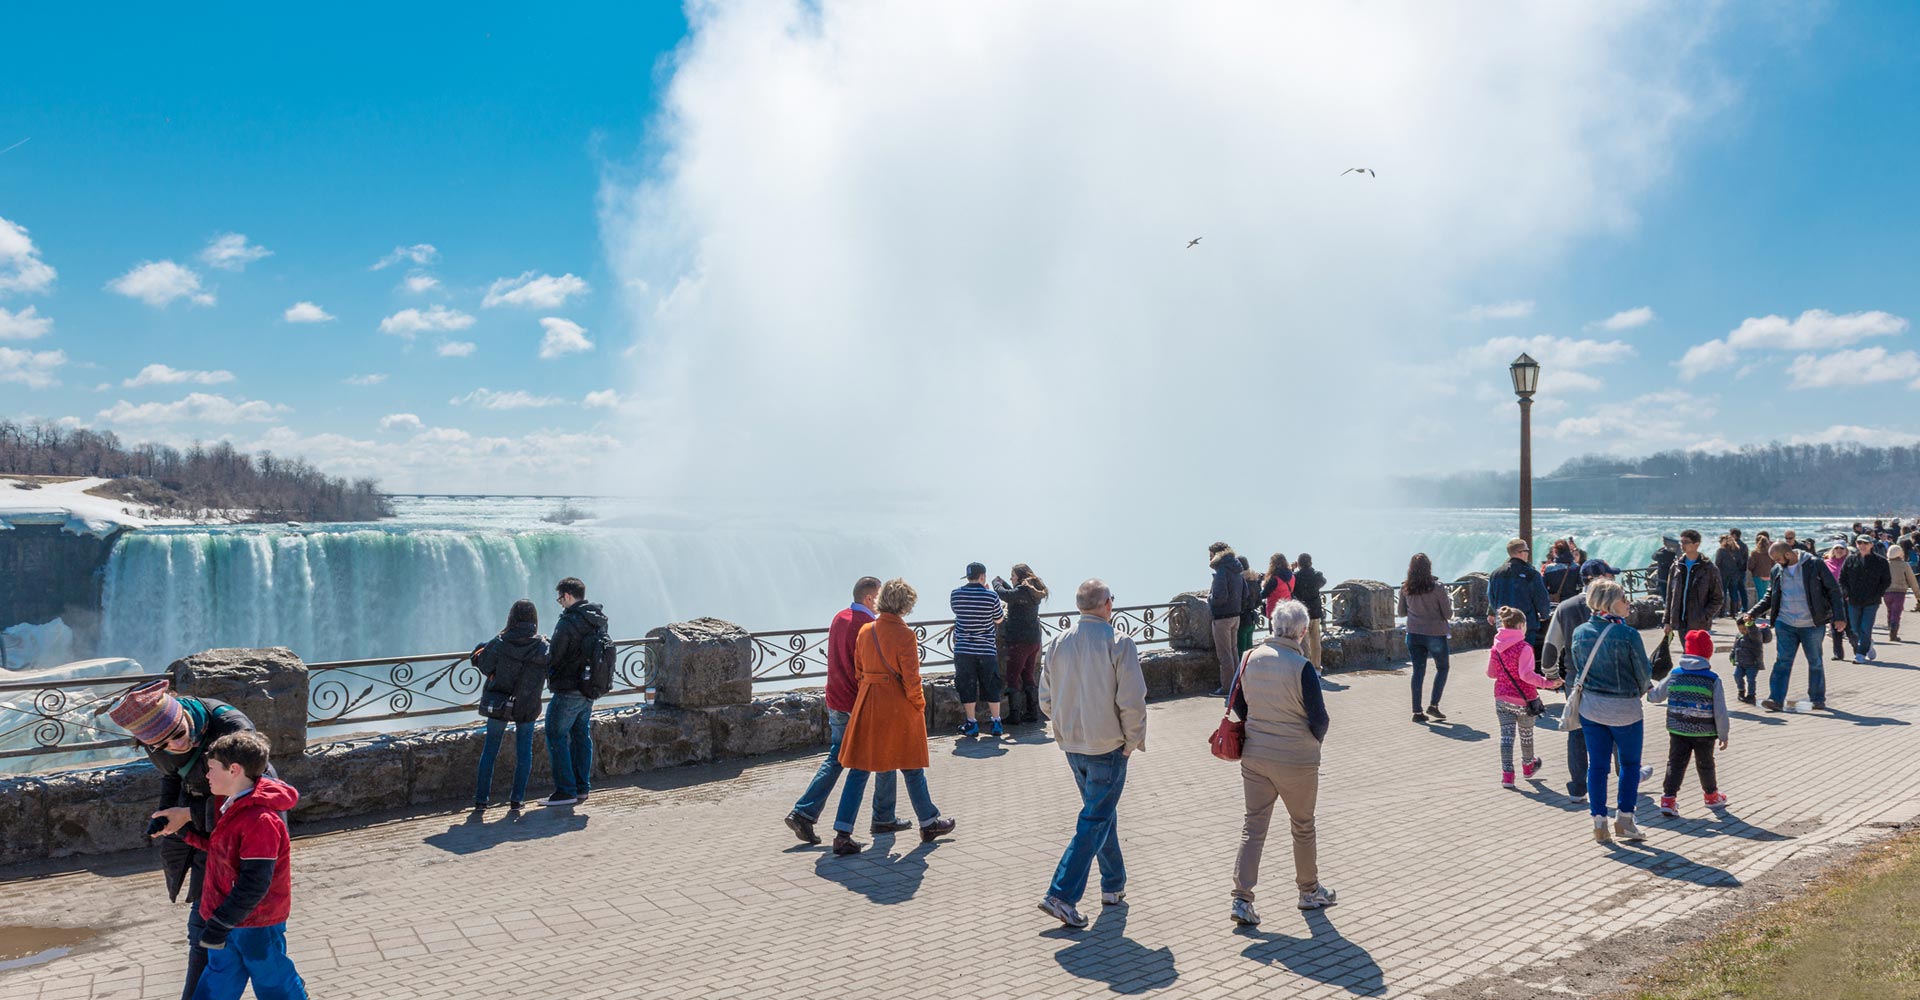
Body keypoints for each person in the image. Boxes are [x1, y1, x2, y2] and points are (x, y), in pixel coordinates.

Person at [113, 678, 272, 1000]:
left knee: (255, 945)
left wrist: (186, 814)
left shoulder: (232, 729)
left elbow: (251, 797)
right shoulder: (159, 741)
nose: (174, 746)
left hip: (247, 831)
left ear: (183, 713)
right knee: (204, 929)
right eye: (160, 745)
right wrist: (165, 815)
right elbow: (171, 775)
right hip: (206, 831)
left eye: (178, 735)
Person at [1035, 579, 1147, 929]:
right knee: (1096, 818)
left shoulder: (1057, 643)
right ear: (1106, 605)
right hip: (1107, 745)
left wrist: (1065, 725)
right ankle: (1062, 894)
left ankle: (1113, 884)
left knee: (1100, 812)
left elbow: (1045, 699)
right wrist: (1132, 741)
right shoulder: (1119, 642)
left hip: (1073, 744)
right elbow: (1132, 700)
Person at [169, 731, 305, 1000]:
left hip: (256, 922)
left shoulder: (260, 820)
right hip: (227, 918)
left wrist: (221, 922)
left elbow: (255, 881)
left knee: (273, 983)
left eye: (211, 768)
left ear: (234, 769)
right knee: (218, 981)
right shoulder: (235, 806)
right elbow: (225, 854)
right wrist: (181, 833)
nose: (207, 775)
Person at [1227, 599, 1334, 926]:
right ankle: (1308, 891)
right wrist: (1313, 740)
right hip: (1296, 759)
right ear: (1302, 632)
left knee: (1253, 826)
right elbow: (1319, 718)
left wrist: (1259, 723)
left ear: (1274, 628)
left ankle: (1242, 900)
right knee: (1302, 826)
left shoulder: (1248, 658)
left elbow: (1238, 703)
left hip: (1256, 756)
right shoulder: (1301, 667)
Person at [831, 578, 957, 855]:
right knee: (911, 766)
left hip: (868, 703)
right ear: (905, 605)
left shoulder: (866, 630)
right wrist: (919, 704)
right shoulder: (904, 635)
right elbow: (912, 679)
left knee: (859, 768)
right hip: (896, 706)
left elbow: (858, 670)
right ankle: (929, 822)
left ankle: (842, 832)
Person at [784, 577, 904, 845]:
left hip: (835, 699)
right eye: (880, 597)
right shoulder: (868, 626)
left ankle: (804, 812)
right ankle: (882, 817)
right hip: (858, 703)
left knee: (837, 758)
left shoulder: (839, 617)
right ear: (869, 599)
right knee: (883, 756)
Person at [1567, 581, 1653, 843]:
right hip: (1624, 708)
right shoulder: (1628, 635)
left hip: (1591, 707)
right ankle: (1625, 820)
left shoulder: (1580, 632)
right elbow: (1643, 674)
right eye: (1623, 598)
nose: (1628, 602)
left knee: (1597, 766)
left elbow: (1578, 666)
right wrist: (1638, 692)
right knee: (1628, 764)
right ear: (1610, 602)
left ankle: (1599, 824)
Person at [471, 599, 551, 811]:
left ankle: (481, 800)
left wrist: (480, 650)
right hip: (527, 704)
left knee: (490, 751)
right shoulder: (543, 645)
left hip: (499, 703)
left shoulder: (500, 642)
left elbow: (485, 665)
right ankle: (517, 800)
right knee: (524, 752)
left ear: (512, 618)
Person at [1544, 565, 1612, 803]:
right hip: (1608, 676)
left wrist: (1552, 675)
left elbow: (1551, 645)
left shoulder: (1565, 607)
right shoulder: (1613, 603)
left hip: (1575, 678)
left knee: (1577, 731)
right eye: (1609, 574)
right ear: (1598, 578)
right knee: (1615, 726)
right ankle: (1628, 776)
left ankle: (1577, 787)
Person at [1749, 540, 1843, 713]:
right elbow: (1771, 595)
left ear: (1788, 554)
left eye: (1777, 558)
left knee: (1815, 661)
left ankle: (1817, 699)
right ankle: (1775, 699)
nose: (1776, 562)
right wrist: (1753, 613)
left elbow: (1833, 590)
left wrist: (1839, 617)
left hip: (1812, 623)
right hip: (1785, 623)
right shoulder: (1777, 570)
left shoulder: (1814, 565)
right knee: (1782, 661)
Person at [1648, 630, 1731, 817]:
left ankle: (1668, 799)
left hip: (1678, 729)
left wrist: (1648, 688)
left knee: (1675, 763)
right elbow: (1720, 710)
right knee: (1706, 763)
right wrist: (1723, 734)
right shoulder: (1712, 679)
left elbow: (1655, 697)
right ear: (1708, 653)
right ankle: (1711, 796)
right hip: (1705, 731)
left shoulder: (1675, 674)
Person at [542, 576, 607, 808]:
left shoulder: (568, 622)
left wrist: (546, 649)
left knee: (555, 734)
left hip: (569, 688)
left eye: (560, 598)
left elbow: (556, 656)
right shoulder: (597, 619)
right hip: (590, 687)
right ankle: (581, 788)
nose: (560, 603)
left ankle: (565, 791)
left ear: (568, 596)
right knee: (581, 736)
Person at [1488, 606, 1560, 789]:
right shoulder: (1524, 647)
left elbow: (1491, 673)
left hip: (1502, 697)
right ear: (1521, 625)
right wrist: (1547, 683)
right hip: (1523, 699)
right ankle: (1528, 766)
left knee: (1506, 736)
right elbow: (1526, 675)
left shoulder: (1496, 647)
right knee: (1526, 735)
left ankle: (1507, 775)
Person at [951, 562, 1008, 738]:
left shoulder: (956, 594)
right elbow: (999, 619)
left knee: (966, 685)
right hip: (986, 649)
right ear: (982, 576)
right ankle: (996, 722)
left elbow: (958, 612)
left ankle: (971, 723)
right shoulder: (991, 596)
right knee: (991, 684)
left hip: (964, 649)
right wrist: (988, 593)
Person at [1399, 553, 1455, 724]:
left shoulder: (1405, 587)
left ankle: (1417, 711)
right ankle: (1434, 705)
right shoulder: (1437, 587)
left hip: (1414, 634)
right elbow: (1448, 614)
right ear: (1429, 567)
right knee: (1442, 668)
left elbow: (1401, 612)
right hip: (1435, 634)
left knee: (1418, 672)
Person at [993, 565, 1050, 726]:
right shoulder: (1032, 590)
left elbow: (1005, 595)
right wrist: (1004, 582)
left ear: (1019, 576)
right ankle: (1032, 713)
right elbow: (1012, 593)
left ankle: (1014, 715)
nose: (1011, 578)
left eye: (1012, 575)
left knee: (1013, 677)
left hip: (1019, 640)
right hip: (1033, 640)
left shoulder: (1023, 590)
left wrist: (996, 583)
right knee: (1028, 675)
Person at [1488, 538, 1551, 658]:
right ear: (1521, 553)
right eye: (1527, 550)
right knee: (1524, 660)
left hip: (1504, 624)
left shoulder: (1495, 574)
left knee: (1506, 659)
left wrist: (1497, 614)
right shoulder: (1531, 574)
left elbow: (1491, 598)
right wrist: (1545, 615)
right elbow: (1541, 598)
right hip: (1525, 625)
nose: (1528, 553)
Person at [1840, 534, 1892, 662]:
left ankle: (1860, 654)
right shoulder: (1850, 560)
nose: (1862, 546)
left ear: (1871, 545)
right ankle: (1868, 643)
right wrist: (1846, 593)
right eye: (1859, 543)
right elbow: (1842, 579)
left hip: (1871, 601)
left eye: (1865, 543)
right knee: (1855, 629)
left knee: (1866, 627)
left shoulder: (1880, 561)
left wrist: (1878, 593)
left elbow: (1886, 581)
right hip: (1853, 600)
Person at [1666, 530, 1725, 635]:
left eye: (1686, 542)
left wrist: (1704, 616)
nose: (1682, 545)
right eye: (1681, 542)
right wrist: (1667, 621)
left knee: (1695, 651)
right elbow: (1670, 596)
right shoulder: (1676, 567)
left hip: (1699, 624)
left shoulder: (1708, 568)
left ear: (1696, 544)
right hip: (1680, 622)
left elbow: (1718, 598)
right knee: (1686, 651)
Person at [1208, 543, 1246, 694]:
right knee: (1233, 651)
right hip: (1235, 615)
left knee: (1224, 655)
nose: (1209, 559)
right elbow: (1245, 593)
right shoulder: (1237, 568)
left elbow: (1219, 597)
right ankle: (1238, 684)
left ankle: (1227, 688)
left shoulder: (1221, 570)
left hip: (1222, 617)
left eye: (1210, 555)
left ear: (1216, 554)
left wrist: (1209, 598)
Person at [1292, 554, 1327, 665]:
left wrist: (1292, 569)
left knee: (1304, 644)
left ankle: (1307, 667)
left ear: (1299, 564)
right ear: (1310, 563)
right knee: (1316, 642)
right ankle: (1317, 668)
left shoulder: (1296, 577)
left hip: (1303, 614)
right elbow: (1323, 581)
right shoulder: (1316, 575)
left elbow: (1290, 586)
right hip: (1315, 613)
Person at [1728, 615, 1771, 705]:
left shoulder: (1755, 634)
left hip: (1752, 663)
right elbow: (1735, 646)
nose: (1742, 631)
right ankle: (1741, 690)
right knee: (1737, 676)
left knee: (1751, 679)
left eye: (1744, 629)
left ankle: (1751, 695)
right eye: (1740, 629)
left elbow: (1754, 631)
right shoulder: (1739, 635)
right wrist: (1732, 655)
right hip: (1740, 662)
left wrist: (1750, 624)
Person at [1824, 545, 1851, 661]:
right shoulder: (1826, 563)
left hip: (1847, 598)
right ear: (1833, 550)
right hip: (1832, 598)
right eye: (1836, 548)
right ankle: (1838, 654)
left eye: (1841, 548)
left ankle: (1858, 649)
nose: (1839, 551)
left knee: (1850, 627)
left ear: (1846, 550)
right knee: (1834, 626)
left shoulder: (1850, 562)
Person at [1886, 544, 1916, 642]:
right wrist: (1917, 593)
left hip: (1886, 592)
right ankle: (1893, 634)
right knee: (1896, 612)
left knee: (1890, 611)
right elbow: (1912, 579)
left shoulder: (1885, 564)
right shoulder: (1904, 565)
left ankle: (1890, 628)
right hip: (1899, 592)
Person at [1714, 534, 1749, 616]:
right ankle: (1733, 612)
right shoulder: (1736, 550)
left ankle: (1721, 612)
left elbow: (1717, 563)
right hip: (1734, 574)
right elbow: (1741, 563)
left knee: (1724, 593)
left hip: (1723, 574)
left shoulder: (1721, 551)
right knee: (1733, 593)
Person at [1237, 555, 1264, 657]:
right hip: (1252, 618)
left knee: (1241, 651)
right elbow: (1259, 600)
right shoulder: (1254, 581)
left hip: (1242, 619)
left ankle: (1242, 672)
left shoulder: (1240, 582)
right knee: (1249, 650)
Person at [1260, 552, 1296, 619]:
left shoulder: (1274, 579)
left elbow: (1264, 594)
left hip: (1275, 611)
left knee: (1275, 629)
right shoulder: (1292, 576)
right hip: (1287, 609)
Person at [1749, 532, 1774, 603]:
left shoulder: (1755, 553)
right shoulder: (1770, 552)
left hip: (1758, 575)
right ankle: (1766, 610)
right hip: (1768, 575)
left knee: (1760, 594)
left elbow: (1750, 566)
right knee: (1766, 594)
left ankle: (1761, 612)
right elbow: (1773, 564)